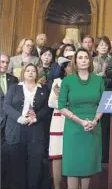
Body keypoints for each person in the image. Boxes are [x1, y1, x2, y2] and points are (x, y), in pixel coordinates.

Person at [58, 48, 104, 189]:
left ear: (90, 61)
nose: (83, 60)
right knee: (73, 165)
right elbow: (61, 106)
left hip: (92, 127)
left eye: (86, 57)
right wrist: (81, 121)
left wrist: (94, 121)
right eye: (80, 58)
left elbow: (103, 104)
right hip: (73, 127)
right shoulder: (67, 81)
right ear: (75, 61)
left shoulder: (98, 80)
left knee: (87, 166)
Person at [4, 63, 50, 189]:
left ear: (37, 74)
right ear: (23, 73)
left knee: (35, 165)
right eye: (28, 70)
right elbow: (6, 106)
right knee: (17, 164)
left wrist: (36, 118)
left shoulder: (43, 89)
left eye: (33, 71)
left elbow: (47, 108)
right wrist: (19, 118)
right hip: (16, 129)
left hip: (36, 130)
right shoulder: (14, 88)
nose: (30, 73)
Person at [48, 56, 73, 189]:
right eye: (69, 65)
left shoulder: (82, 82)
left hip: (75, 123)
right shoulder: (58, 82)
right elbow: (51, 102)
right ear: (64, 69)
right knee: (57, 156)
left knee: (73, 156)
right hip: (59, 121)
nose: (71, 68)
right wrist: (68, 103)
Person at [0, 54, 18, 189]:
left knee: (6, 155)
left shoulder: (13, 79)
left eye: (7, 62)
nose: (5, 65)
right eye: (2, 62)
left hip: (10, 123)